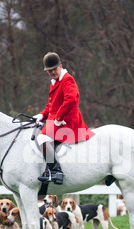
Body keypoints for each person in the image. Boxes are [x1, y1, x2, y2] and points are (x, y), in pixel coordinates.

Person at [33, 52, 95, 184]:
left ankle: (56, 172)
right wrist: (42, 115)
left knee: (42, 138)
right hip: (58, 118)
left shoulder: (67, 79)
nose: (52, 72)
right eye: (49, 70)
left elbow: (71, 99)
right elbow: (51, 105)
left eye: (54, 69)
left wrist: (59, 118)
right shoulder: (55, 82)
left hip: (67, 120)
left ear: (60, 66)